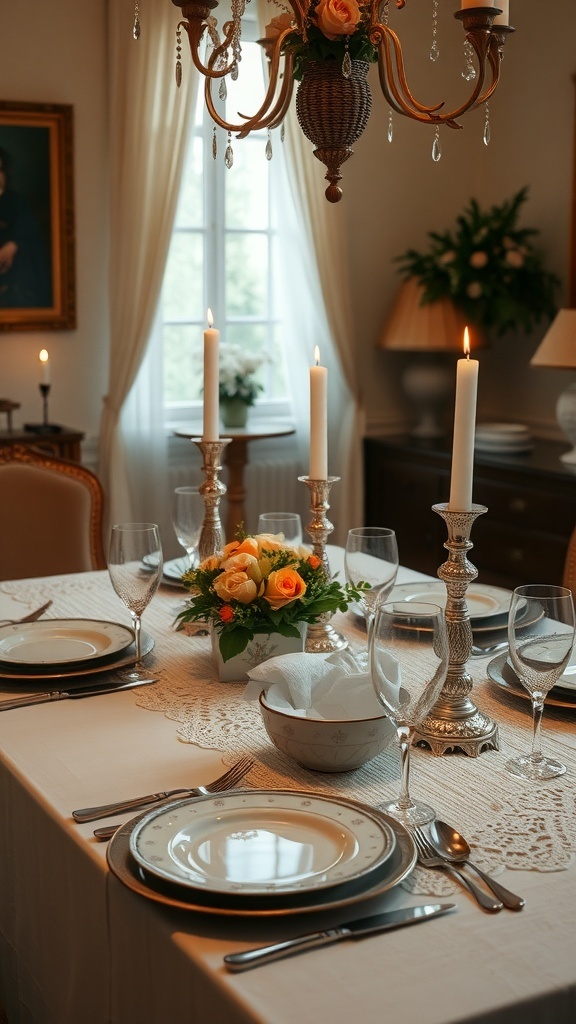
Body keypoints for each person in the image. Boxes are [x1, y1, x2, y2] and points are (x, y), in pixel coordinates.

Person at [0, 146, 52, 308]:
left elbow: (30, 234)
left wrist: (13, 246)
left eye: (0, 170)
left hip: (14, 283)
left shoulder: (16, 203)